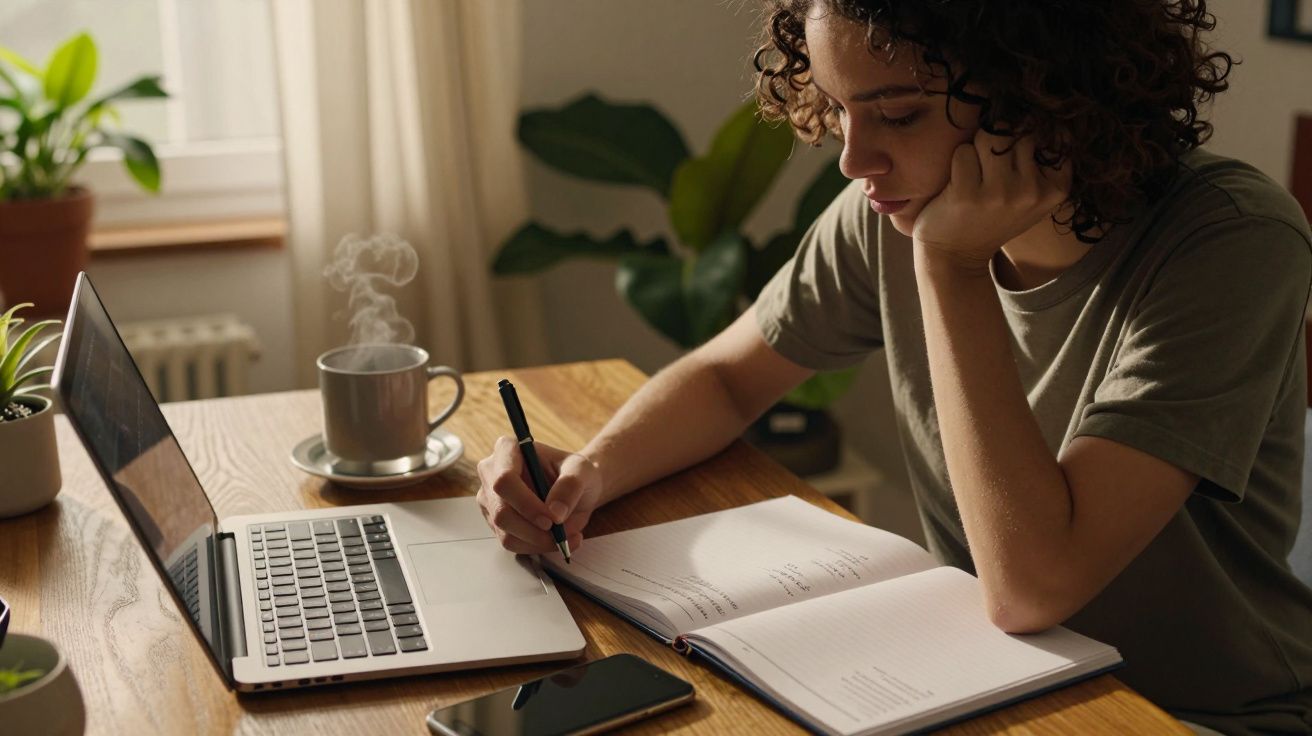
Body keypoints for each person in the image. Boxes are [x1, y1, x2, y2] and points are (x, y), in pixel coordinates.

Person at [476, 1, 1312, 733]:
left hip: (1186, 715)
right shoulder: (892, 209)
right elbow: (730, 378)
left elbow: (1033, 585)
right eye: (839, 109)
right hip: (990, 685)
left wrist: (949, 267)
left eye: (900, 115)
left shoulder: (1232, 243)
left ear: (1040, 90)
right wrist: (587, 471)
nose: (852, 160)